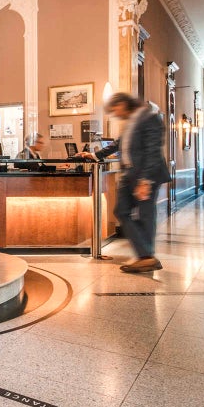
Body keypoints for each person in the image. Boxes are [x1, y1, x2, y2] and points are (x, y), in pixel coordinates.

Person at [80, 92, 171, 273]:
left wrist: (145, 180)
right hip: (130, 175)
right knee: (121, 211)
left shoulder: (150, 118)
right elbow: (118, 145)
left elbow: (153, 151)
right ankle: (146, 254)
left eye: (115, 109)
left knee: (145, 215)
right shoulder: (130, 122)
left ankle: (145, 257)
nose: (115, 114)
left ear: (123, 103)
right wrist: (95, 155)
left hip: (146, 175)